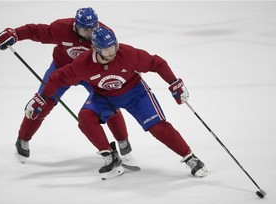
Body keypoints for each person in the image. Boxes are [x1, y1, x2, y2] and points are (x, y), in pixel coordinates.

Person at [23, 26, 209, 180]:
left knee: (157, 127)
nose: (112, 52)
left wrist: (174, 83)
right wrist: (41, 97)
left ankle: (190, 158)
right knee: (85, 118)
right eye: (107, 49)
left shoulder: (127, 54)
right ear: (96, 48)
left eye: (113, 46)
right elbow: (57, 78)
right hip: (104, 97)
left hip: (135, 93)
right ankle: (110, 157)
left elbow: (156, 63)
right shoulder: (83, 63)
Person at [0, 8, 132, 163]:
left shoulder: (103, 34)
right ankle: (23, 139)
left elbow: (114, 56)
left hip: (90, 74)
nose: (90, 33)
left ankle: (122, 139)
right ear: (76, 25)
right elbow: (36, 31)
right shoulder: (61, 28)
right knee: (41, 103)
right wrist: (16, 34)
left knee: (109, 102)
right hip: (61, 72)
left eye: (93, 28)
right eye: (86, 29)